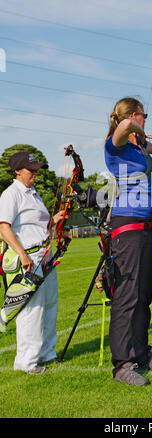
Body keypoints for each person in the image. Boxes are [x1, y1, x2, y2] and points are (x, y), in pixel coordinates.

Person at [104, 97, 152, 386]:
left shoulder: (137, 146)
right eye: (144, 115)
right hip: (127, 228)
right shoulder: (116, 144)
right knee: (126, 298)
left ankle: (142, 355)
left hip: (147, 227)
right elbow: (124, 126)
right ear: (136, 115)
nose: (146, 119)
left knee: (143, 296)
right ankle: (122, 364)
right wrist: (138, 127)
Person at [0, 151, 64, 374]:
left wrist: (54, 220)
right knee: (31, 310)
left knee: (49, 306)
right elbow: (3, 226)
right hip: (27, 260)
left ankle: (47, 353)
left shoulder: (33, 193)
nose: (35, 174)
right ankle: (26, 362)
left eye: (37, 170)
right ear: (17, 171)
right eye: (31, 171)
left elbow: (37, 226)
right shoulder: (11, 194)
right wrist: (22, 255)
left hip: (43, 257)